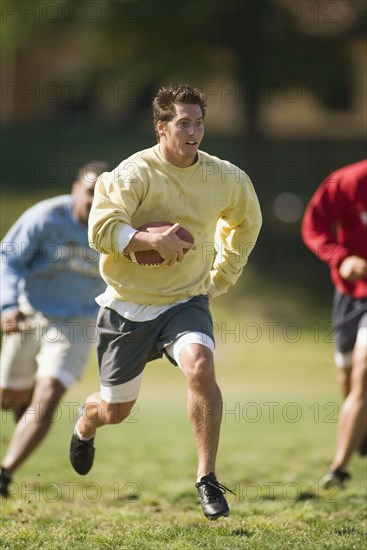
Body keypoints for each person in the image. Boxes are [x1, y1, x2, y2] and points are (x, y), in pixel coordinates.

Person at [69, 84, 262, 520]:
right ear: (161, 127)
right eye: (183, 123)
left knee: (200, 365)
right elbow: (100, 229)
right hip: (125, 306)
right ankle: (86, 422)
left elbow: (247, 223)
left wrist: (221, 277)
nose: (193, 131)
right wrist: (147, 239)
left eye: (198, 123)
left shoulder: (224, 177)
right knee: (115, 410)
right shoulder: (134, 173)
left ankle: (207, 479)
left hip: (184, 300)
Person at [0, 161, 110, 498]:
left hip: (78, 322)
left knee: (48, 398)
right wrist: (7, 306)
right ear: (76, 189)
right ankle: (26, 391)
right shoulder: (45, 218)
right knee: (8, 399)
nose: (95, 200)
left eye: (105, 194)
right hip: (32, 313)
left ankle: (4, 474)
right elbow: (9, 259)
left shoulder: (119, 228)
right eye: (91, 192)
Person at [301, 159, 367, 489]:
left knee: (363, 376)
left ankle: (338, 467)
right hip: (350, 296)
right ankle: (362, 431)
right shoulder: (348, 180)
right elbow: (314, 226)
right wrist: (341, 259)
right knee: (346, 376)